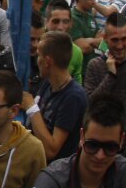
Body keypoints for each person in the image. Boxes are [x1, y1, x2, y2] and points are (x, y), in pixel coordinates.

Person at [84, 12, 126, 161]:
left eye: (124, 39)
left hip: (125, 152)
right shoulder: (94, 66)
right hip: (96, 149)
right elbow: (90, 104)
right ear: (105, 38)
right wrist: (111, 76)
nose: (120, 46)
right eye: (115, 40)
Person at [24, 31, 89, 161]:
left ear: (47, 61)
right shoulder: (47, 84)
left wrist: (31, 108)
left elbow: (51, 151)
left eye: (39, 56)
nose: (37, 61)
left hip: (56, 174)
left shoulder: (73, 97)